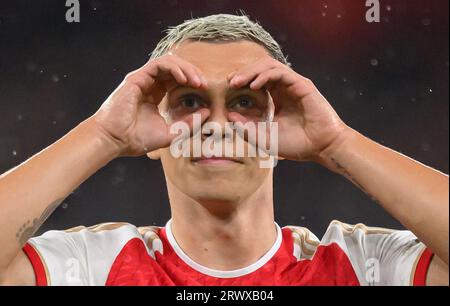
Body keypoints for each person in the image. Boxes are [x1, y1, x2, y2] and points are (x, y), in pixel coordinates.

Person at [0, 14, 448, 286]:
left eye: (245, 102)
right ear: (152, 135)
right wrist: (103, 135)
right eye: (190, 102)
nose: (215, 125)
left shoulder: (361, 266)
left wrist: (337, 142)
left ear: (281, 129)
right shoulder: (93, 267)